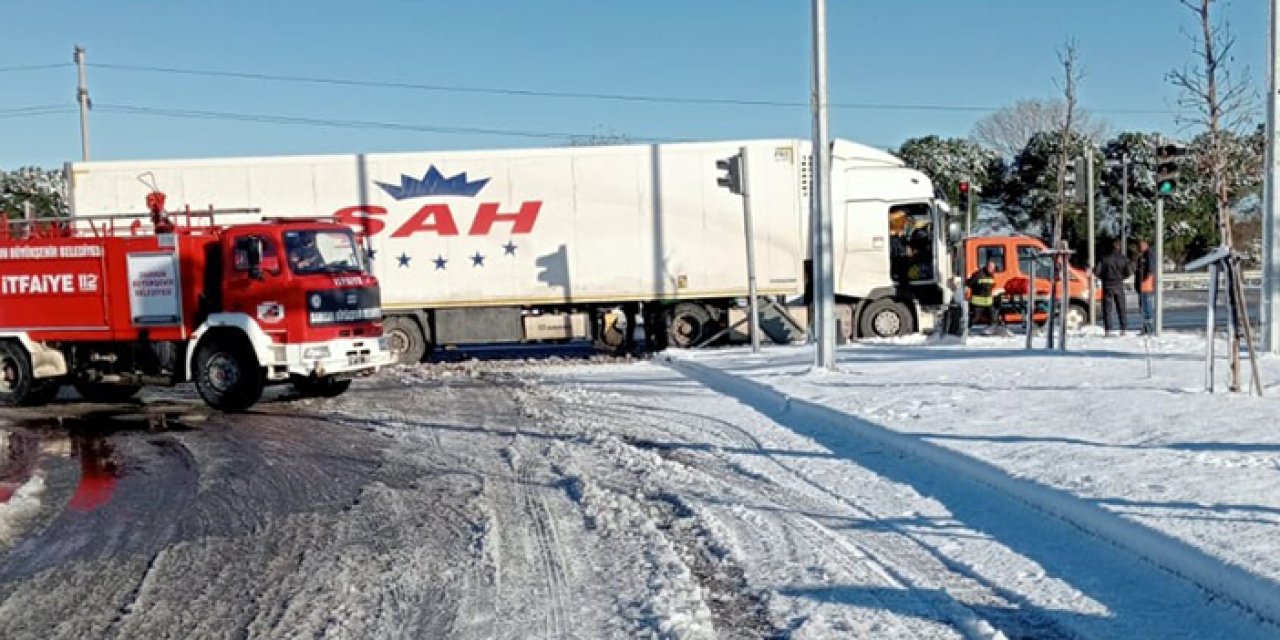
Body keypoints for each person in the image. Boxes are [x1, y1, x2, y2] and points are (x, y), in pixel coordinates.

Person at [1094, 239, 1133, 336]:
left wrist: (1104, 277)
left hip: (1107, 284)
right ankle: (1123, 329)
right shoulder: (1123, 258)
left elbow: (1097, 272)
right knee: (1121, 307)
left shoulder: (1104, 258)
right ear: (1119, 247)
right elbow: (1129, 272)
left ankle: (1108, 330)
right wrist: (1121, 277)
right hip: (1119, 284)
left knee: (1107, 308)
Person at [1133, 239, 1157, 335]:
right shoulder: (1141, 255)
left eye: (1141, 245)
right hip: (1142, 286)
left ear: (1146, 245)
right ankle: (1145, 327)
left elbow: (1150, 269)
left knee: (1147, 307)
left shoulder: (1149, 254)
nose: (1139, 248)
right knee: (1143, 308)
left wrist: (1145, 278)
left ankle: (1149, 328)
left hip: (1147, 285)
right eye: (1139, 246)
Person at [967, 259, 997, 327]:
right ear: (986, 266)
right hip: (978, 303)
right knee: (974, 319)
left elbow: (991, 285)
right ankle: (966, 330)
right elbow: (969, 283)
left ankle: (990, 330)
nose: (991, 269)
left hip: (988, 303)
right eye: (990, 267)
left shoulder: (991, 275)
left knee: (993, 319)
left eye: (993, 268)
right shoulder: (978, 274)